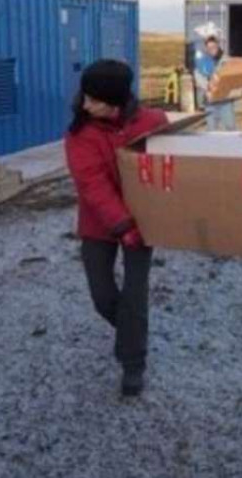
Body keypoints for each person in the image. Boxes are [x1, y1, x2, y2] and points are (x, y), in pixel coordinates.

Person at [65, 59, 169, 397]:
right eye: (85, 96)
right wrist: (122, 225)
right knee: (102, 296)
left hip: (145, 221)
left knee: (135, 295)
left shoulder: (152, 122)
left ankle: (133, 364)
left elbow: (170, 161)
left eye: (94, 100)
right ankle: (131, 333)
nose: (85, 104)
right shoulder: (80, 134)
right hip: (100, 223)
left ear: (115, 101)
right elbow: (92, 185)